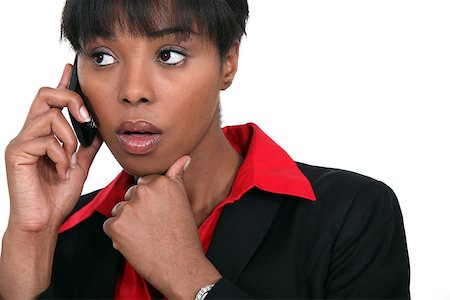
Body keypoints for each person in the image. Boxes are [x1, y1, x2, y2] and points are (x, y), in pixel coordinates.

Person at [0, 0, 410, 299]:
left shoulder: (350, 213)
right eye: (103, 57)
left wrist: (192, 281)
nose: (133, 92)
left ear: (227, 62)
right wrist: (31, 234)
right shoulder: (68, 234)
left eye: (169, 55)